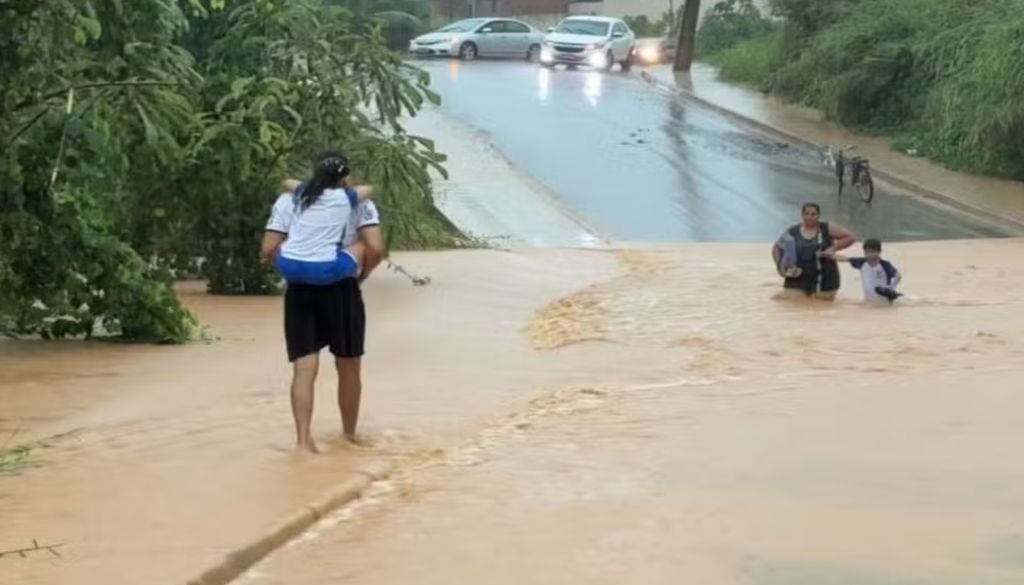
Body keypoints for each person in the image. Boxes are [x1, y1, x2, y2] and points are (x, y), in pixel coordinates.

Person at [259, 151, 377, 453]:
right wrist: (360, 276)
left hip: (298, 286)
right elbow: (375, 246)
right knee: (348, 365)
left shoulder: (290, 200)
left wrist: (290, 265)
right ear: (345, 178)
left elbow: (268, 247)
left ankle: (302, 442)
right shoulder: (354, 201)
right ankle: (348, 437)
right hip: (340, 287)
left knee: (303, 368)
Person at [771, 203, 856, 300]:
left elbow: (850, 237)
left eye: (813, 214)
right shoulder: (793, 231)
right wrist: (780, 266)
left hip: (824, 280)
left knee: (820, 308)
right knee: (782, 301)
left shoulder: (826, 228)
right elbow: (777, 248)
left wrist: (832, 249)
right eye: (806, 214)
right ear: (802, 215)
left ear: (818, 216)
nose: (809, 217)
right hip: (797, 278)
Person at [835, 238, 903, 303]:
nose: (869, 254)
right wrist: (827, 254)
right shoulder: (862, 262)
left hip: (885, 301)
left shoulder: (885, 265)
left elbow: (898, 276)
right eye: (867, 252)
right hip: (868, 300)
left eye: (872, 252)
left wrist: (890, 287)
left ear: (879, 252)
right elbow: (845, 259)